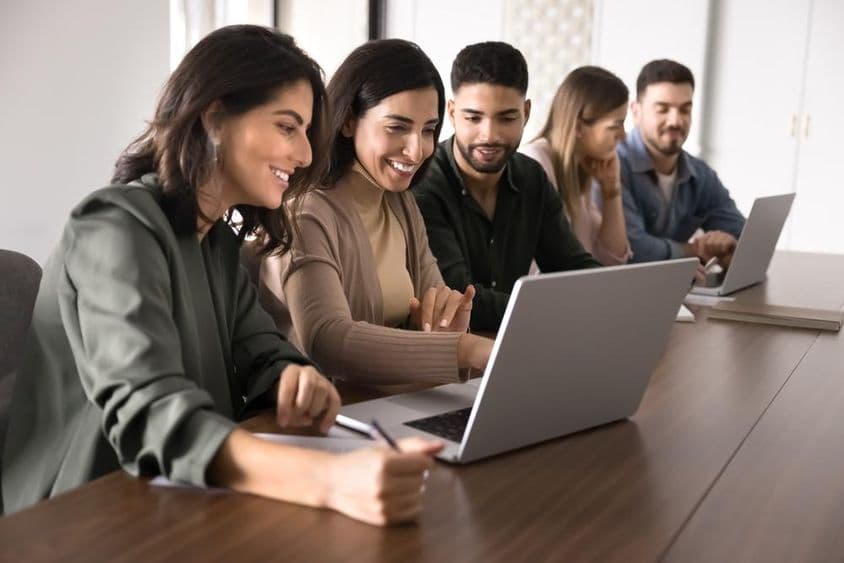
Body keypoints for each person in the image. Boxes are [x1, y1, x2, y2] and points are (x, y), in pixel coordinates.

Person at [1, 25, 439, 526]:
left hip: (182, 499)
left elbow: (265, 354)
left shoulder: (216, 242)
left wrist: (293, 380)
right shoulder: (114, 225)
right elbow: (149, 413)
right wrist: (327, 480)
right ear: (215, 118)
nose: (304, 156)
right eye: (287, 127)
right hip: (81, 513)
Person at [258, 39, 494, 392]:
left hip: (391, 404)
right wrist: (463, 348)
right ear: (349, 120)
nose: (417, 150)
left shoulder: (401, 203)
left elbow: (437, 314)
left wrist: (444, 327)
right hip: (326, 421)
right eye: (396, 127)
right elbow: (327, 339)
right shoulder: (306, 212)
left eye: (428, 130)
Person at [413, 42, 601, 333]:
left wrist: (620, 293)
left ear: (526, 112)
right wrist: (557, 308)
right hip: (451, 357)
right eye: (473, 118)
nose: (489, 135)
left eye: (507, 118)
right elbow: (462, 300)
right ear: (451, 113)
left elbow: (573, 267)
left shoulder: (531, 177)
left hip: (520, 342)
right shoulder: (425, 183)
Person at [619, 59, 745, 270]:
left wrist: (730, 247)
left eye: (685, 109)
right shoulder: (612, 165)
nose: (675, 121)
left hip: (677, 292)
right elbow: (634, 250)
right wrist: (695, 251)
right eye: (663, 109)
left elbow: (741, 234)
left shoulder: (700, 174)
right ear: (636, 111)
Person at [520, 66, 632, 265]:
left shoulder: (581, 169)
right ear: (579, 126)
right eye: (616, 125)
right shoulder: (534, 164)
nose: (623, 137)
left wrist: (611, 191)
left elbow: (612, 259)